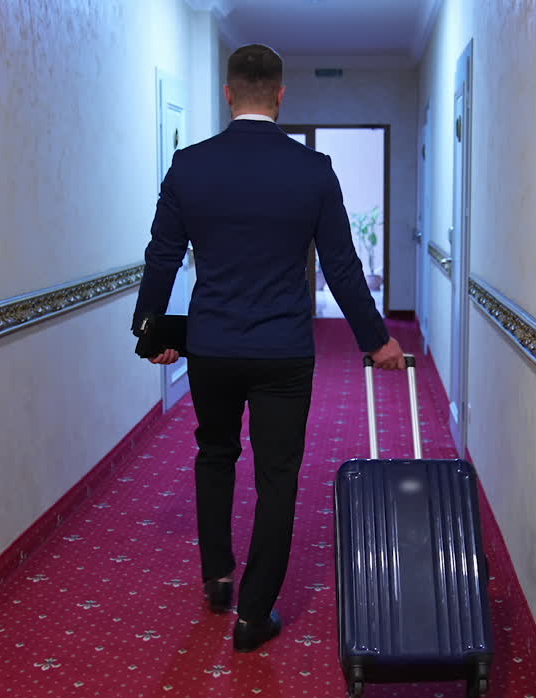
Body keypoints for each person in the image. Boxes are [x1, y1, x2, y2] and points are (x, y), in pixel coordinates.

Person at [132, 44, 405, 652]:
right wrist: (376, 340)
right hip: (283, 350)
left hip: (212, 346)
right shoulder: (312, 170)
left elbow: (162, 253)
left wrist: (148, 331)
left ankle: (217, 576)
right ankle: (254, 616)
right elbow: (341, 263)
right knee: (277, 474)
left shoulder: (189, 166)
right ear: (281, 95)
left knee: (214, 452)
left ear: (229, 94)